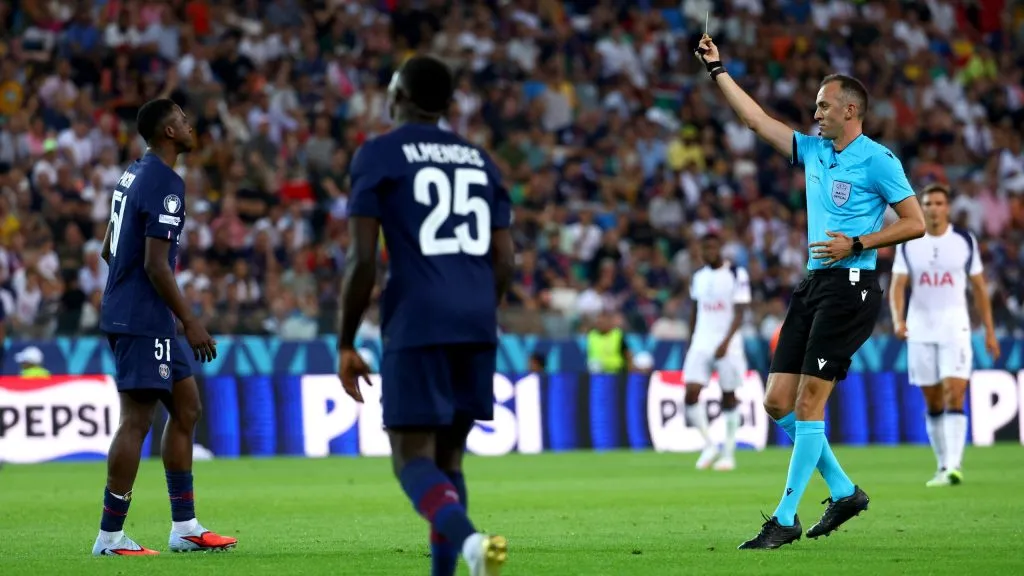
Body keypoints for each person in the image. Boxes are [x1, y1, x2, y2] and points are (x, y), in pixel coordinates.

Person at [694, 36, 926, 549]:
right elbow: (757, 121)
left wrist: (859, 242)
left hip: (851, 288)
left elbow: (916, 222)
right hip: (812, 285)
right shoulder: (816, 150)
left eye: (823, 105)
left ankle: (784, 517)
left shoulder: (879, 160)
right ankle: (843, 490)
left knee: (808, 402)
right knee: (777, 402)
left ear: (850, 110)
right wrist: (718, 71)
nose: (814, 112)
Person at [337, 55, 515, 576]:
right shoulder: (482, 160)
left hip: (418, 318)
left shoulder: (379, 154)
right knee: (450, 462)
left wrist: (346, 341)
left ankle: (471, 543)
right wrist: (480, 306)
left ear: (400, 98)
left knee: (411, 458)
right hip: (476, 319)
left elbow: (364, 259)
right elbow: (505, 258)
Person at [94, 98, 235, 556]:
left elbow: (107, 248)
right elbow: (157, 264)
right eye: (182, 119)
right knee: (136, 420)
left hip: (143, 314)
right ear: (168, 133)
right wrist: (190, 321)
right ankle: (110, 537)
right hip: (142, 317)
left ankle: (185, 527)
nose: (190, 124)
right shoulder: (164, 182)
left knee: (187, 406)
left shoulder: (132, 173)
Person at [889, 183, 999, 487]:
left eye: (939, 203)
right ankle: (941, 466)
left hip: (956, 328)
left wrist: (989, 332)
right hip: (920, 329)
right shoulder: (909, 241)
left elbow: (979, 288)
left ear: (947, 207)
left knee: (955, 393)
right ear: (922, 207)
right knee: (934, 400)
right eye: (928, 203)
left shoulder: (964, 240)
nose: (933, 208)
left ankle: (953, 465)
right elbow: (898, 286)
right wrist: (899, 320)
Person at [683, 233, 751, 472]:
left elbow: (740, 311)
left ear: (721, 248)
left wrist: (725, 342)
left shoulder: (736, 274)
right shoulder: (698, 277)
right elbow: (695, 309)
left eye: (712, 247)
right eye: (705, 248)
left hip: (728, 343)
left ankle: (729, 453)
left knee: (728, 395)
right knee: (690, 394)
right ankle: (709, 445)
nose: (708, 251)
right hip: (702, 340)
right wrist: (691, 339)